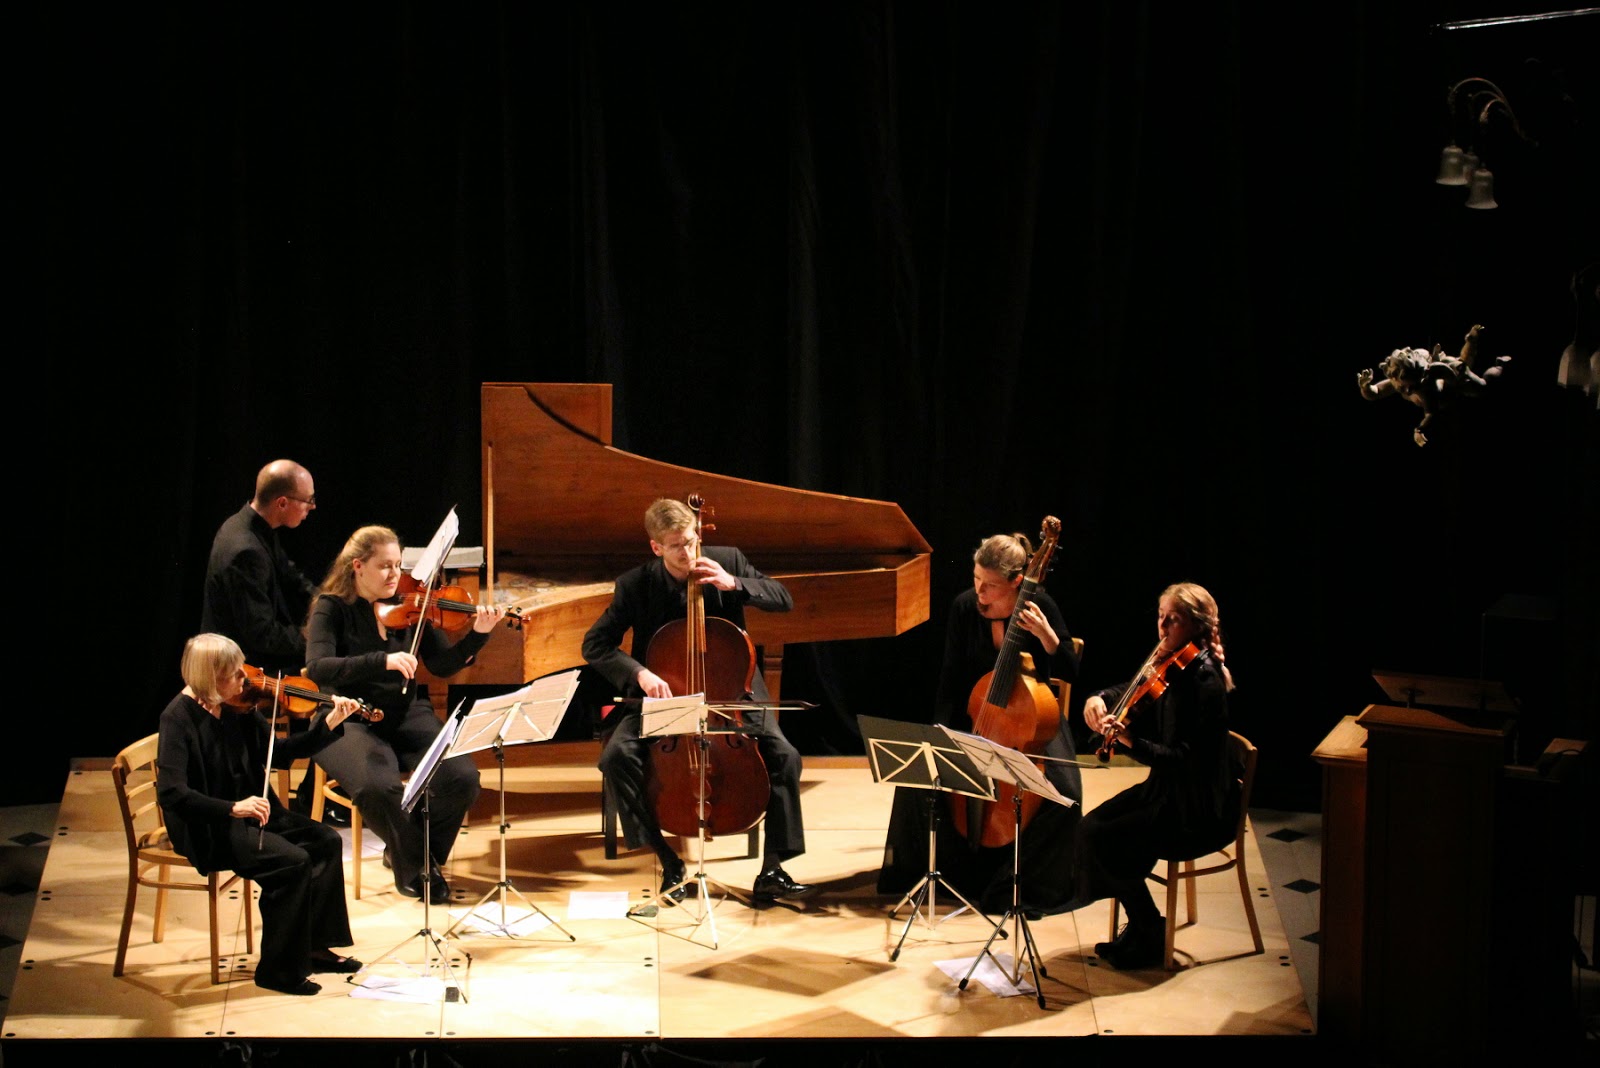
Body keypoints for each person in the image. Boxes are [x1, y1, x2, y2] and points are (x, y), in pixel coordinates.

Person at [582, 497, 814, 904]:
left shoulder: (728, 560)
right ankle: (667, 859)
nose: (688, 553)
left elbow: (784, 598)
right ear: (656, 547)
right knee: (615, 758)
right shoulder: (635, 584)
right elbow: (595, 644)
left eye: (691, 541)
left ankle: (773, 869)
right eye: (676, 546)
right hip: (665, 696)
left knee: (786, 757)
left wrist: (734, 583)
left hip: (733, 690)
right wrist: (640, 673)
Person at [876, 532, 1082, 913]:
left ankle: (1019, 886)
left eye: (989, 585)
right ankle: (948, 873)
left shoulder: (1040, 605)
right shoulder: (964, 607)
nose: (979, 591)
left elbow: (1071, 669)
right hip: (975, 714)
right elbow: (950, 677)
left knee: (1064, 796)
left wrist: (1048, 638)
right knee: (919, 776)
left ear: (1016, 582)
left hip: (1032, 723)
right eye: (976, 579)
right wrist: (940, 730)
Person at [304, 525, 504, 905]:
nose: (395, 574)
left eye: (399, 565)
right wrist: (381, 661)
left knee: (462, 777)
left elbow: (442, 665)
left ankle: (409, 852)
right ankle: (417, 870)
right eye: (385, 566)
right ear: (358, 566)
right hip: (345, 717)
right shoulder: (332, 607)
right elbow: (317, 667)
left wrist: (478, 634)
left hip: (404, 712)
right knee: (379, 788)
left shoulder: (412, 606)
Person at [156, 633, 364, 995]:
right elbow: (172, 794)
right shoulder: (177, 719)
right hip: (211, 826)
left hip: (255, 813)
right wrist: (232, 808)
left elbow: (279, 753)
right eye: (234, 673)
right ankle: (278, 971)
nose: (246, 678)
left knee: (326, 841)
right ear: (210, 677)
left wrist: (328, 724)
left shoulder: (236, 706)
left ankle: (314, 948)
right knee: (292, 862)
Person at [1069, 581, 1239, 969]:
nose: (1162, 627)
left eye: (1172, 620)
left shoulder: (1203, 681)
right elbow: (1130, 689)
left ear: (1195, 626)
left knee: (1101, 837)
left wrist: (1131, 741)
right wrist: (1099, 698)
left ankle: (1147, 928)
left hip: (1195, 809)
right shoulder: (1173, 663)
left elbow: (1182, 760)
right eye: (1160, 617)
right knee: (1089, 828)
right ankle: (1145, 925)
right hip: (1166, 791)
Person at [201, 460, 320, 675]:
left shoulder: (254, 524)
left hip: (251, 655)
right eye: (308, 500)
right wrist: (316, 638)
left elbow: (291, 576)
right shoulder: (246, 551)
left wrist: (326, 603)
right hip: (235, 672)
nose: (313, 507)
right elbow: (262, 634)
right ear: (282, 503)